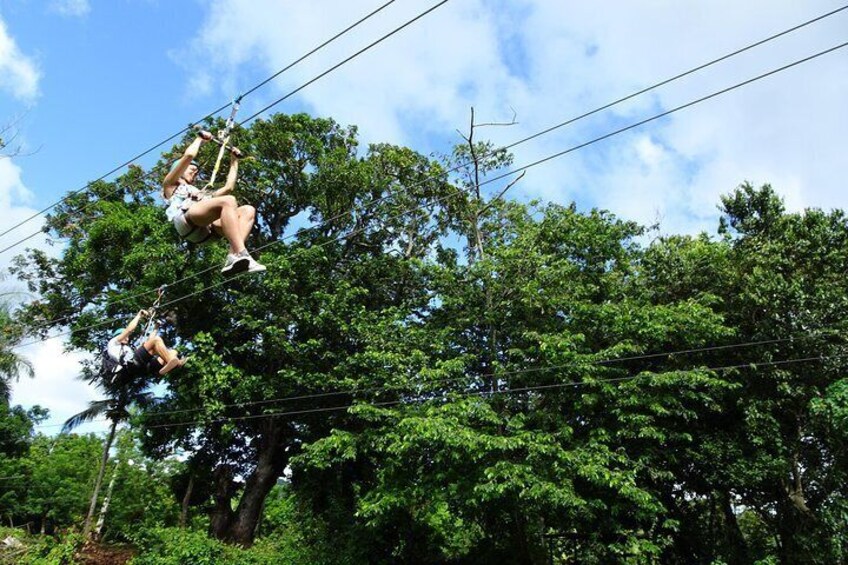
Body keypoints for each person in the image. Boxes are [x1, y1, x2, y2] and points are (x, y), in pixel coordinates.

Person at [162, 130, 266, 274]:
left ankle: (234, 256)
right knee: (228, 201)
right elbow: (189, 155)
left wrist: (234, 160)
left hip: (208, 232)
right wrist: (199, 139)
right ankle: (242, 253)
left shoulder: (200, 194)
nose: (195, 172)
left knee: (248, 210)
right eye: (192, 169)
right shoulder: (170, 184)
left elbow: (229, 187)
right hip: (186, 221)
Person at [104, 310, 185, 380]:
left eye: (127, 337)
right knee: (157, 340)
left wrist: (156, 328)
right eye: (125, 336)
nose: (127, 338)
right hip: (132, 365)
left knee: (173, 352)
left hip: (142, 368)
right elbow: (129, 330)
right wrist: (139, 315)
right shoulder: (113, 342)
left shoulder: (127, 349)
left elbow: (150, 343)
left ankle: (169, 365)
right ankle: (174, 363)